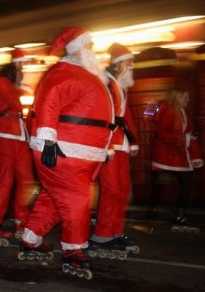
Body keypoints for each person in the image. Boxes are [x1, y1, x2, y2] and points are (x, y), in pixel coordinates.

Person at [21, 27, 113, 279]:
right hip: (63, 151)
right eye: (89, 46)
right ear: (78, 49)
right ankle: (74, 250)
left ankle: (31, 238)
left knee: (54, 198)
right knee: (76, 199)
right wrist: (47, 140)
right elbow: (49, 101)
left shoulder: (84, 74)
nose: (93, 51)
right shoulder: (65, 73)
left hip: (77, 151)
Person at [90, 43, 140, 258]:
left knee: (122, 190)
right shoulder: (106, 83)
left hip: (121, 144)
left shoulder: (120, 85)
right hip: (109, 143)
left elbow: (125, 116)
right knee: (111, 190)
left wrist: (133, 141)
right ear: (122, 63)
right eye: (131, 62)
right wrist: (106, 145)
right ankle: (102, 235)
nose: (132, 66)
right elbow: (104, 116)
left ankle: (115, 232)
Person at [0, 55, 35, 245]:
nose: (23, 75)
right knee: (5, 178)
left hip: (18, 133)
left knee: (25, 179)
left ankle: (21, 219)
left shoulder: (8, 84)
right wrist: (23, 89)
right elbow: (13, 102)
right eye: (21, 70)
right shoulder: (1, 82)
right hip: (6, 132)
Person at [148, 87, 203, 233]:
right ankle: (157, 212)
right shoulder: (169, 111)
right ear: (177, 98)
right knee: (160, 185)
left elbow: (190, 134)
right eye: (185, 97)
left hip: (176, 155)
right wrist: (184, 139)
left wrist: (195, 155)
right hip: (164, 155)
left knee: (183, 183)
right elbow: (162, 133)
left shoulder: (184, 113)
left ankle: (174, 213)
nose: (188, 100)